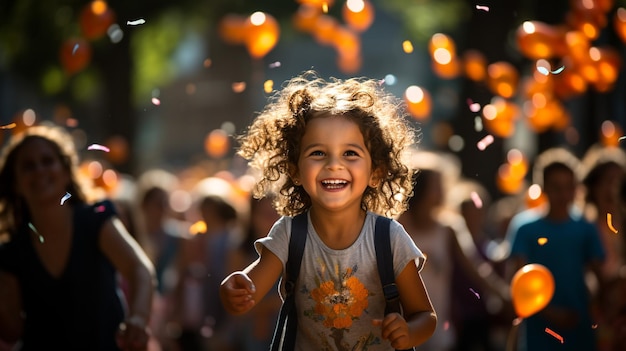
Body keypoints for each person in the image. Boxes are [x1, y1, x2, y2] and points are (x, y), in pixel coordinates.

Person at [219, 71, 437, 350]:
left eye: (350, 153)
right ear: (295, 170)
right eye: (318, 153)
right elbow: (247, 292)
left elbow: (425, 315)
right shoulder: (289, 233)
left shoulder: (389, 238)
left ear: (376, 172)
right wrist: (234, 291)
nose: (334, 164)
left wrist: (409, 331)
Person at [0, 123, 156, 351]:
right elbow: (11, 331)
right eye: (28, 166)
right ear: (15, 184)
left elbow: (139, 269)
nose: (40, 171)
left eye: (47, 161)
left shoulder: (95, 220)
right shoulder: (11, 252)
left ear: (65, 171)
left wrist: (138, 319)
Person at [505, 147, 606, 351]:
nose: (564, 194)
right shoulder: (524, 228)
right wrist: (550, 313)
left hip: (580, 327)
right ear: (543, 188)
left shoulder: (586, 228)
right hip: (538, 332)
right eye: (556, 187)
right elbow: (517, 281)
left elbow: (600, 277)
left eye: (569, 187)